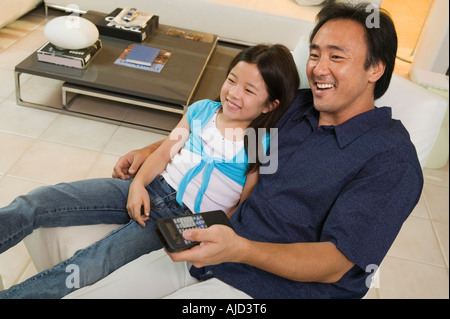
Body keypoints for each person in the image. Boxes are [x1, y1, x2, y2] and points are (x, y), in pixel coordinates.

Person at [65, 2, 424, 299]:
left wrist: (239, 249)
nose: (318, 68)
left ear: (375, 68)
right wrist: (152, 149)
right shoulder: (297, 107)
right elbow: (222, 130)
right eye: (315, 54)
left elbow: (335, 263)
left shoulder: (391, 160)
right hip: (216, 247)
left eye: (337, 57)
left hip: (272, 289)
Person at [0, 44, 299, 298]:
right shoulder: (202, 111)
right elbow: (165, 151)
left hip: (181, 221)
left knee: (93, 261)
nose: (233, 93)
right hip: (155, 186)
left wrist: (214, 233)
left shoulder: (260, 143)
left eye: (248, 90)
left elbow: (247, 201)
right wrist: (139, 184)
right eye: (232, 80)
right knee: (39, 201)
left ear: (269, 105)